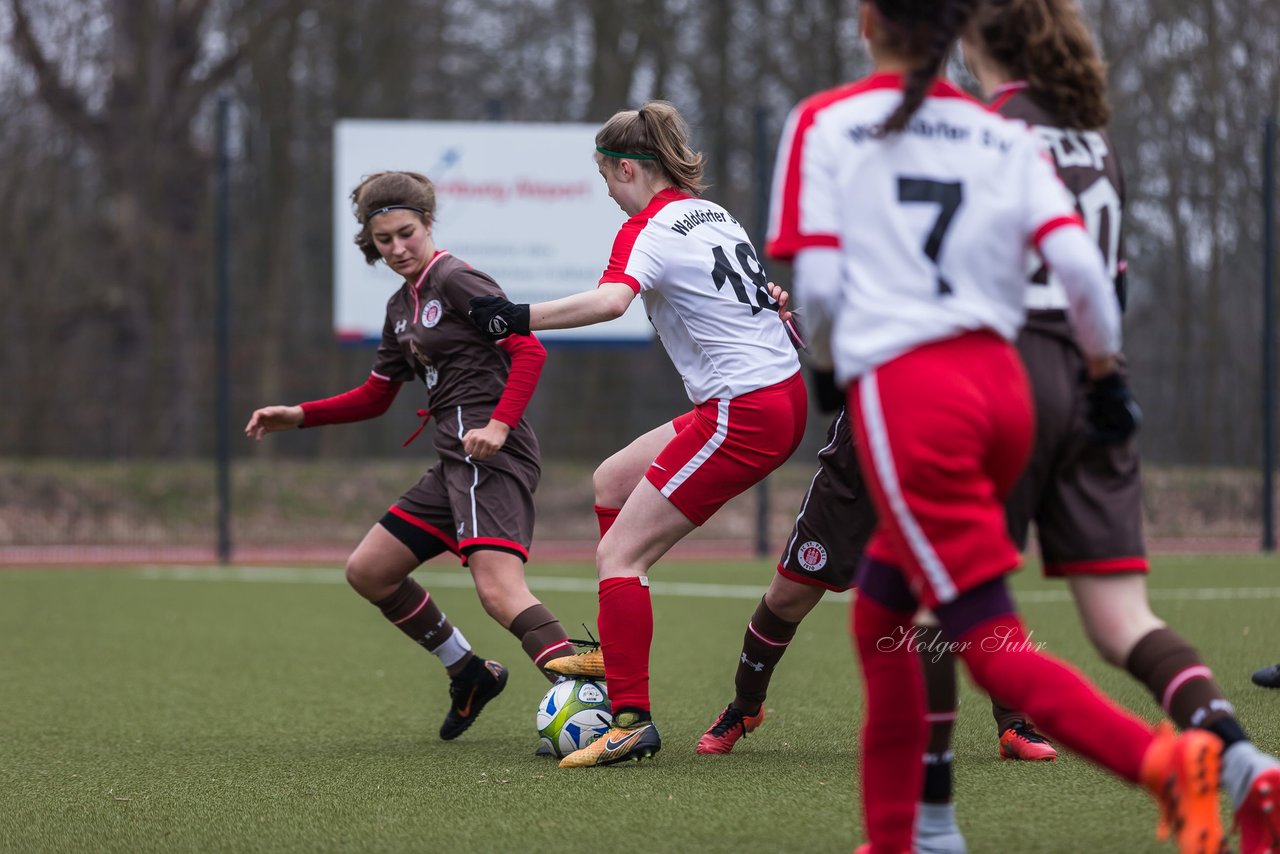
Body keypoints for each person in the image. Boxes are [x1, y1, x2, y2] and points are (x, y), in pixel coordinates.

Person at [773, 1, 1225, 851]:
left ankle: (1167, 764)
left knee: (986, 637)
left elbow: (822, 286)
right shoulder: (1001, 134)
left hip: (916, 399)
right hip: (1004, 390)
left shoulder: (824, 123)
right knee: (880, 613)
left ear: (868, 26)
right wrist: (1102, 375)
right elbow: (1086, 277)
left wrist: (831, 371)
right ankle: (897, 836)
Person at [959, 3, 1280, 850]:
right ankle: (1246, 764)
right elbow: (1109, 284)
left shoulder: (982, 133)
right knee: (1121, 620)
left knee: (929, 604)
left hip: (1008, 369)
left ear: (978, 36)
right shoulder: (1093, 136)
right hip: (1099, 375)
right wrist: (1103, 377)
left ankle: (920, 822)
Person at [468, 100, 808, 768]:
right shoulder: (710, 213)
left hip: (746, 409)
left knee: (620, 557)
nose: (609, 196)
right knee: (613, 479)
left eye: (607, 181)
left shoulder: (648, 226)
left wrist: (516, 316)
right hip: (772, 393)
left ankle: (630, 718)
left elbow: (610, 302)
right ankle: (616, 650)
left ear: (627, 168)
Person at [245, 170, 589, 743]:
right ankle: (470, 672)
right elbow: (376, 396)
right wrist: (300, 415)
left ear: (428, 224)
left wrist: (499, 426)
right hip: (454, 462)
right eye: (385, 241)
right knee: (371, 572)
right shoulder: (400, 306)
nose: (398, 248)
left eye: (407, 233)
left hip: (489, 456)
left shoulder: (456, 279)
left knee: (500, 591)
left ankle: (596, 700)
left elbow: (529, 349)